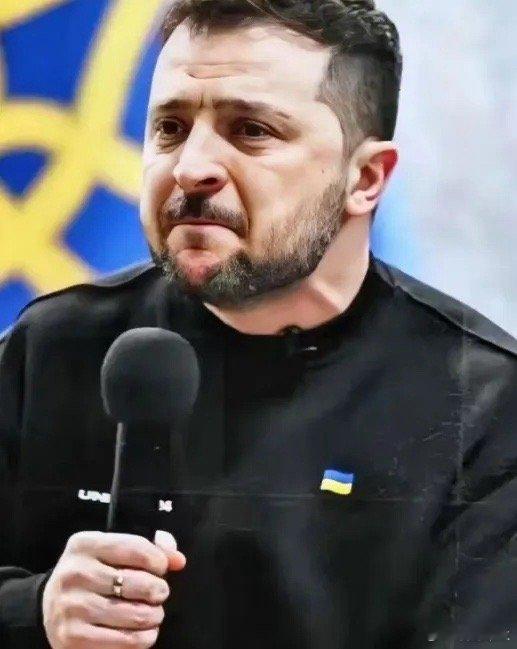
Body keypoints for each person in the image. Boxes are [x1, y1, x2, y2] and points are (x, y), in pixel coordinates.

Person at [0, 0, 515, 647]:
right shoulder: (53, 346)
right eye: (170, 127)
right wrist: (35, 609)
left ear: (365, 178)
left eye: (250, 130)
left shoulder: (481, 405)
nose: (190, 167)